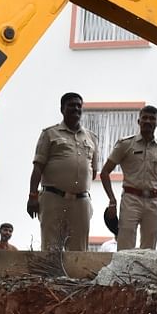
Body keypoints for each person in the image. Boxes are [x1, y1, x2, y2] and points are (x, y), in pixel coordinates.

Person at [27, 92, 99, 251]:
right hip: (53, 198)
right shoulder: (49, 134)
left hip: (81, 202)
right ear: (62, 109)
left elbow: (93, 171)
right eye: (71, 105)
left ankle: (75, 277)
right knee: (51, 247)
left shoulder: (92, 137)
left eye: (79, 106)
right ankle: (50, 277)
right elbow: (38, 167)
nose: (76, 108)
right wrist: (32, 195)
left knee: (79, 250)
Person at [100, 105, 157, 250]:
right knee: (125, 246)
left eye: (152, 118)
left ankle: (144, 274)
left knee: (149, 249)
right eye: (144, 117)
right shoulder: (125, 144)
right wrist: (112, 200)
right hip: (131, 199)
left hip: (154, 202)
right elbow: (105, 172)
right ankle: (123, 273)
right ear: (138, 121)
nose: (148, 121)